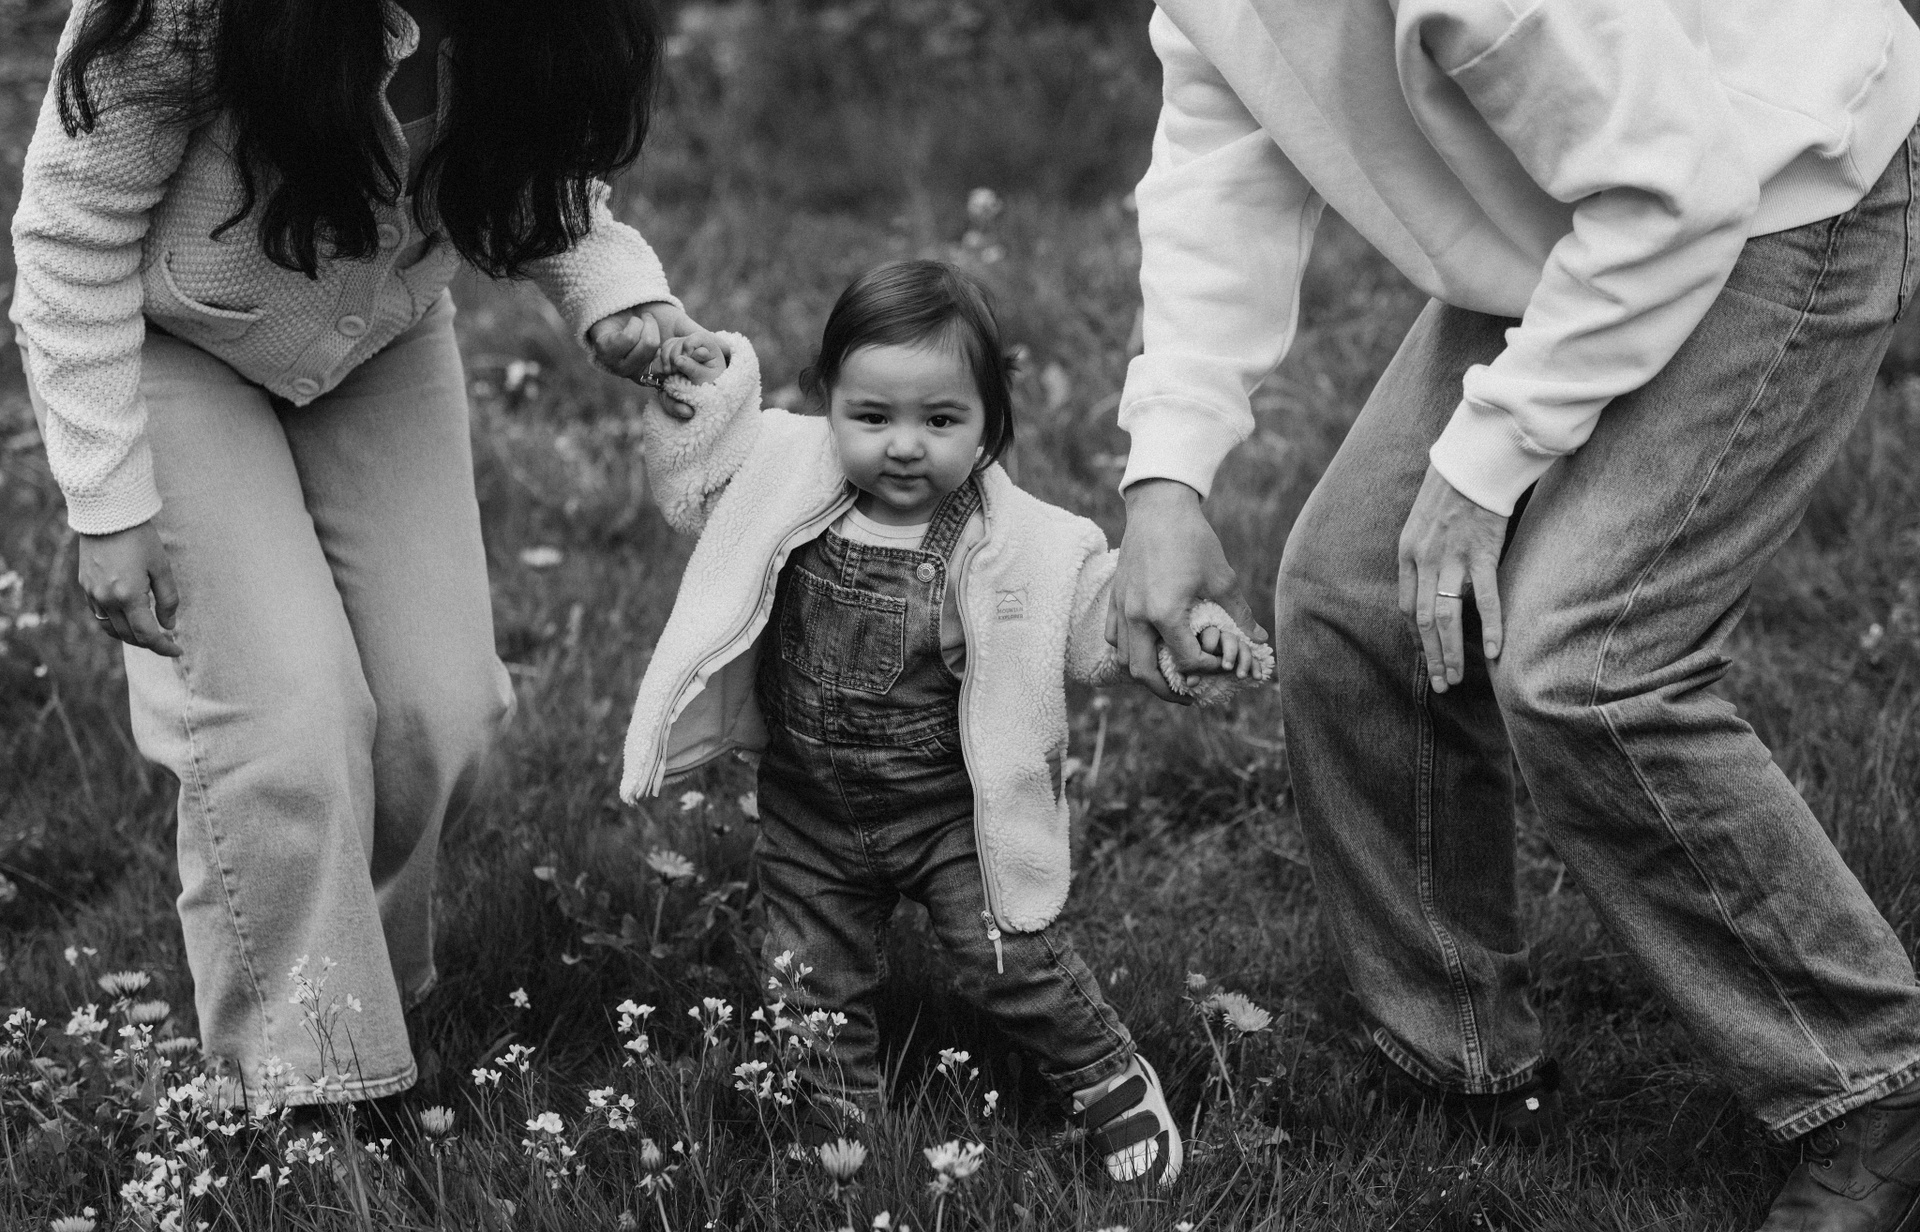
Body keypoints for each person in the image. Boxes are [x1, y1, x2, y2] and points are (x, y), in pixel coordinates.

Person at [1106, 1, 1920, 1226]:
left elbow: (1678, 190)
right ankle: (1457, 1048)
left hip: (1777, 186)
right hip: (1585, 207)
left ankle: (1873, 1080)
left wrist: (1487, 463)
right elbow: (1218, 170)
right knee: (1352, 599)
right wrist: (1167, 477)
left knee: (1589, 663)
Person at [10, 0, 712, 1108]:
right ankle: (300, 1084)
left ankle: (359, 986)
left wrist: (623, 298)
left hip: (376, 343)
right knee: (285, 728)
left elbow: (537, 180)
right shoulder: (184, 11)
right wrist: (108, 501)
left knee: (442, 713)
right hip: (169, 348)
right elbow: (69, 235)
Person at [620, 260, 1264, 1187]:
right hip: (809, 807)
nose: (904, 446)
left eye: (940, 420)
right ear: (826, 401)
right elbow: (699, 479)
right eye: (872, 417)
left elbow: (1094, 609)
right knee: (808, 979)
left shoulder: (1020, 541)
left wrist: (1180, 635)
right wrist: (703, 399)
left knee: (1009, 957)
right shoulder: (780, 475)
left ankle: (1107, 1075)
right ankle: (838, 1132)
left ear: (990, 424)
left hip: (950, 814)